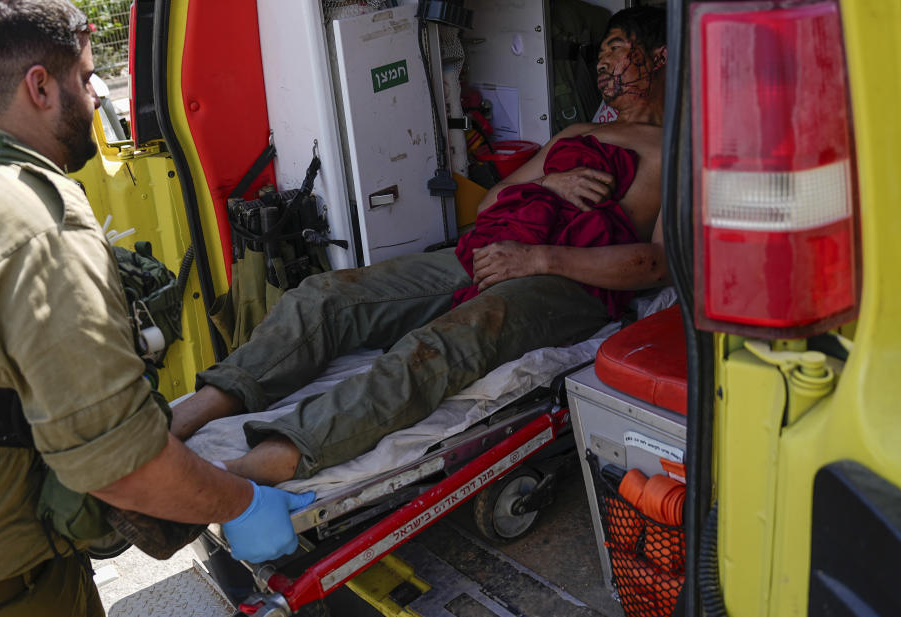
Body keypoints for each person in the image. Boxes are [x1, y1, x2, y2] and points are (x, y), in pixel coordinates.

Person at [170, 6, 670, 485]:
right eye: (601, 51)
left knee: (440, 344)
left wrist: (540, 258)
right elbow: (494, 199)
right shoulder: (582, 132)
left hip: (569, 278)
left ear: (661, 57)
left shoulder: (679, 151)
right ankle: (197, 411)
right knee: (326, 296)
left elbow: (658, 266)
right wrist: (548, 186)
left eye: (618, 48)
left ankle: (274, 458)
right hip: (494, 249)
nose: (603, 62)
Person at [0, 2, 312, 617]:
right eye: (86, 79)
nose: (96, 93)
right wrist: (241, 502)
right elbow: (121, 464)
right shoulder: (36, 223)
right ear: (38, 86)